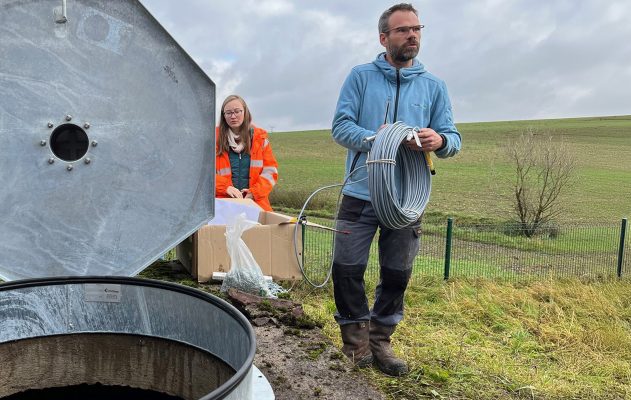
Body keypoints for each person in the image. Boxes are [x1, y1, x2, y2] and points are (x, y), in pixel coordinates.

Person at [331, 3, 461, 376]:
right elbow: (341, 127)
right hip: (360, 191)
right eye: (403, 30)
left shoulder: (434, 86)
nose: (413, 35)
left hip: (406, 200)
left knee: (397, 273)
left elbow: (453, 138)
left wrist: (440, 139)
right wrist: (380, 138)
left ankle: (380, 342)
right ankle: (355, 345)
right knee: (346, 267)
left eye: (417, 29)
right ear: (384, 37)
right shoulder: (360, 77)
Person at [215, 95, 278, 211]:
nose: (233, 116)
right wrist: (225, 187)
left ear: (245, 112)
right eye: (228, 113)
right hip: (223, 206)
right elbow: (204, 175)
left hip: (255, 205)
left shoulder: (260, 139)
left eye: (237, 111)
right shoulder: (214, 140)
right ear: (223, 116)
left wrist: (254, 193)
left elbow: (270, 171)